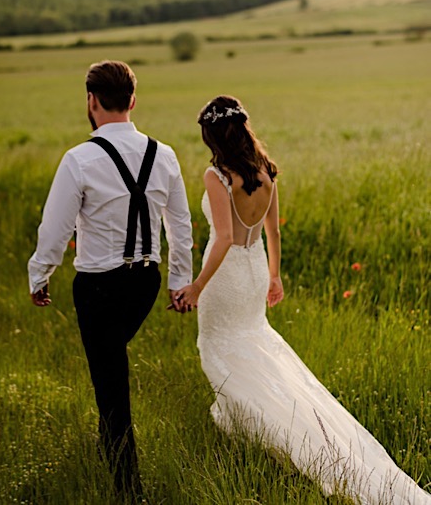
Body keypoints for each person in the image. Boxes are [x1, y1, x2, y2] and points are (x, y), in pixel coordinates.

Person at [173, 95, 431, 505]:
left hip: (226, 278)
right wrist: (274, 276)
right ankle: (248, 427)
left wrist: (197, 286)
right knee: (253, 347)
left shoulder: (217, 175)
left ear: (214, 136)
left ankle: (267, 429)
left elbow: (222, 238)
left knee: (219, 347)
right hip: (255, 269)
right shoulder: (266, 172)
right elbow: (274, 234)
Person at [27, 60, 193, 502]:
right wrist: (180, 282)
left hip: (99, 287)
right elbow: (180, 226)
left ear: (92, 101)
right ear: (132, 102)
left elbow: (55, 229)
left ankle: (127, 487)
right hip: (146, 285)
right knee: (110, 369)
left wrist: (39, 275)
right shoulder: (166, 154)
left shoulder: (79, 159)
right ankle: (109, 450)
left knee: (111, 384)